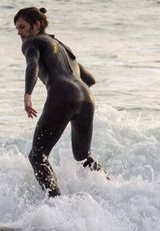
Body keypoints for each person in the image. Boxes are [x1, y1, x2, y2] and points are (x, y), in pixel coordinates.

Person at [14, 7, 104, 198]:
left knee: (37, 156)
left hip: (63, 95)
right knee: (82, 157)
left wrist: (27, 94)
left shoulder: (33, 42)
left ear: (36, 25)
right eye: (17, 28)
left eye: (22, 27)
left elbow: (33, 65)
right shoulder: (62, 46)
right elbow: (90, 79)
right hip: (87, 98)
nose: (19, 32)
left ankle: (57, 205)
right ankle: (110, 186)